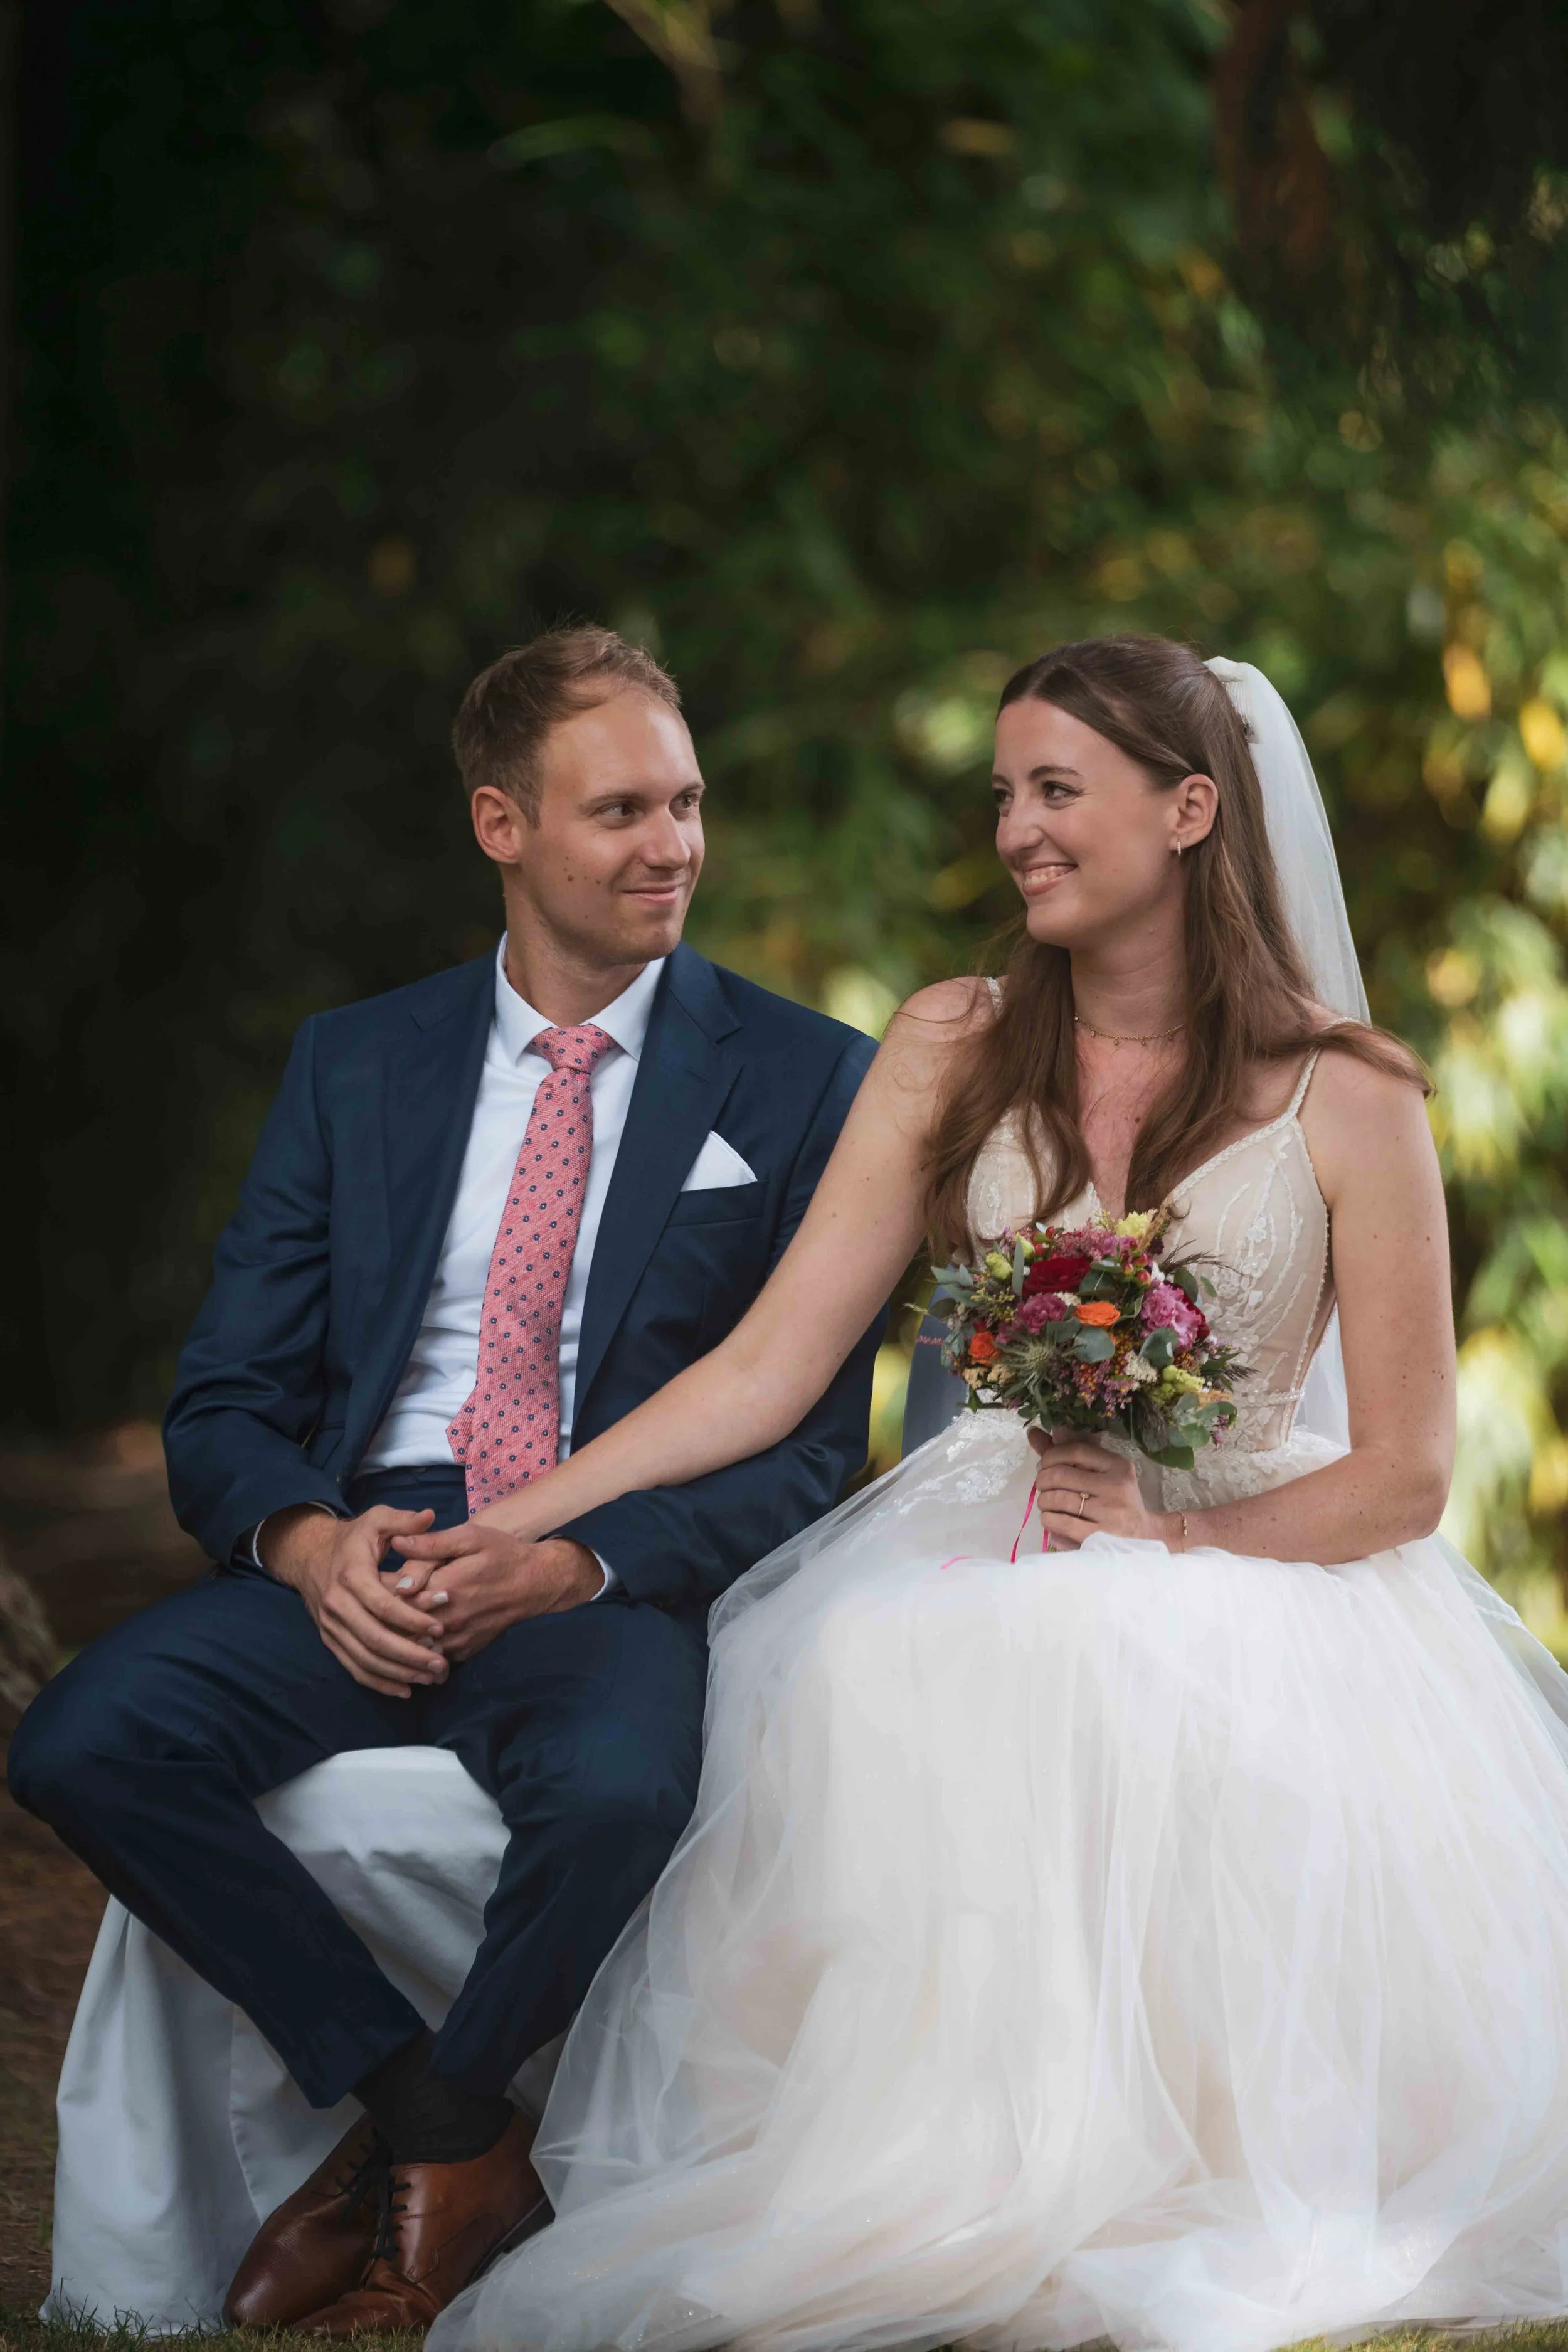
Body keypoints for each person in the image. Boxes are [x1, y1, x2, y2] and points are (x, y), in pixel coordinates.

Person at [410, 637, 1568, 2352]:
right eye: (1005, 793)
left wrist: (1177, 1539)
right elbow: (767, 1363)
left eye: (1055, 790)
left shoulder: (1350, 1086)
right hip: (992, 1513)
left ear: (1187, 811)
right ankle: (930, 2170)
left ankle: (1144, 2178)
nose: (1016, 829)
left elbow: (1402, 1472)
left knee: (1125, 1662)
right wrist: (513, 1520)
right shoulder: (952, 1041)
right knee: (871, 1663)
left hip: (1258, 1542)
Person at [6, 626, 881, 2338]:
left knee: (624, 1790)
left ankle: (395, 2148)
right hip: (369, 1545)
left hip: (598, 1564)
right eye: (621, 808)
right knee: (81, 1738)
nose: (673, 845)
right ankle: (440, 2125)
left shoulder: (805, 1076)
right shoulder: (357, 1062)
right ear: (500, 824)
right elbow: (225, 1398)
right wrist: (309, 1535)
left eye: (688, 804)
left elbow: (809, 1448)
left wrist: (580, 1565)